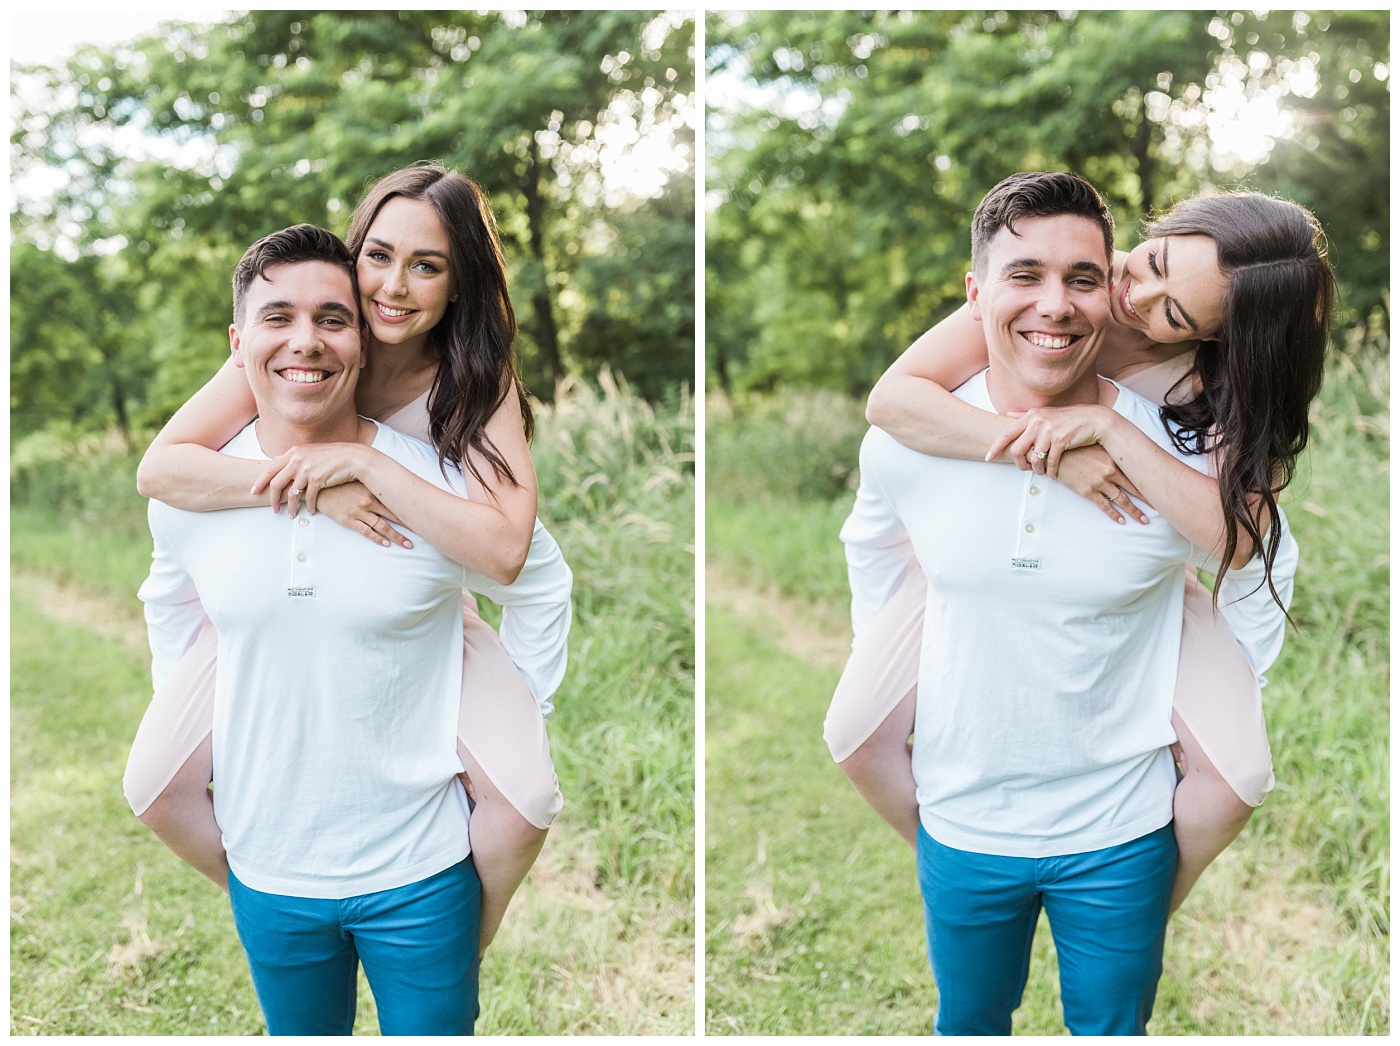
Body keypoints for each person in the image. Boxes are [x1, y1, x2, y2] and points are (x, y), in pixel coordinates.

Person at [840, 171, 1300, 1034]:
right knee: (849, 734)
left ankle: (1147, 897)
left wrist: (1112, 433)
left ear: (1210, 341)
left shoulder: (1215, 386)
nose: (1133, 297)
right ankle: (959, 862)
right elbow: (894, 400)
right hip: (986, 532)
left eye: (1169, 311)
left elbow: (1236, 540)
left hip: (1182, 560)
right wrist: (1039, 451)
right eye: (1150, 261)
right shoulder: (1062, 273)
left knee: (1238, 774)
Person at [126, 165, 567, 954]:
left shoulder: (473, 383)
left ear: (458, 283)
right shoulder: (304, 341)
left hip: (414, 593)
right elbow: (161, 469)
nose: (395, 286)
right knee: (154, 789)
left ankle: (461, 942)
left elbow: (508, 553)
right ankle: (280, 912)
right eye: (379, 256)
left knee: (526, 798)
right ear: (353, 253)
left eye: (427, 266)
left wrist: (368, 470)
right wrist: (309, 490)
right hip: (267, 595)